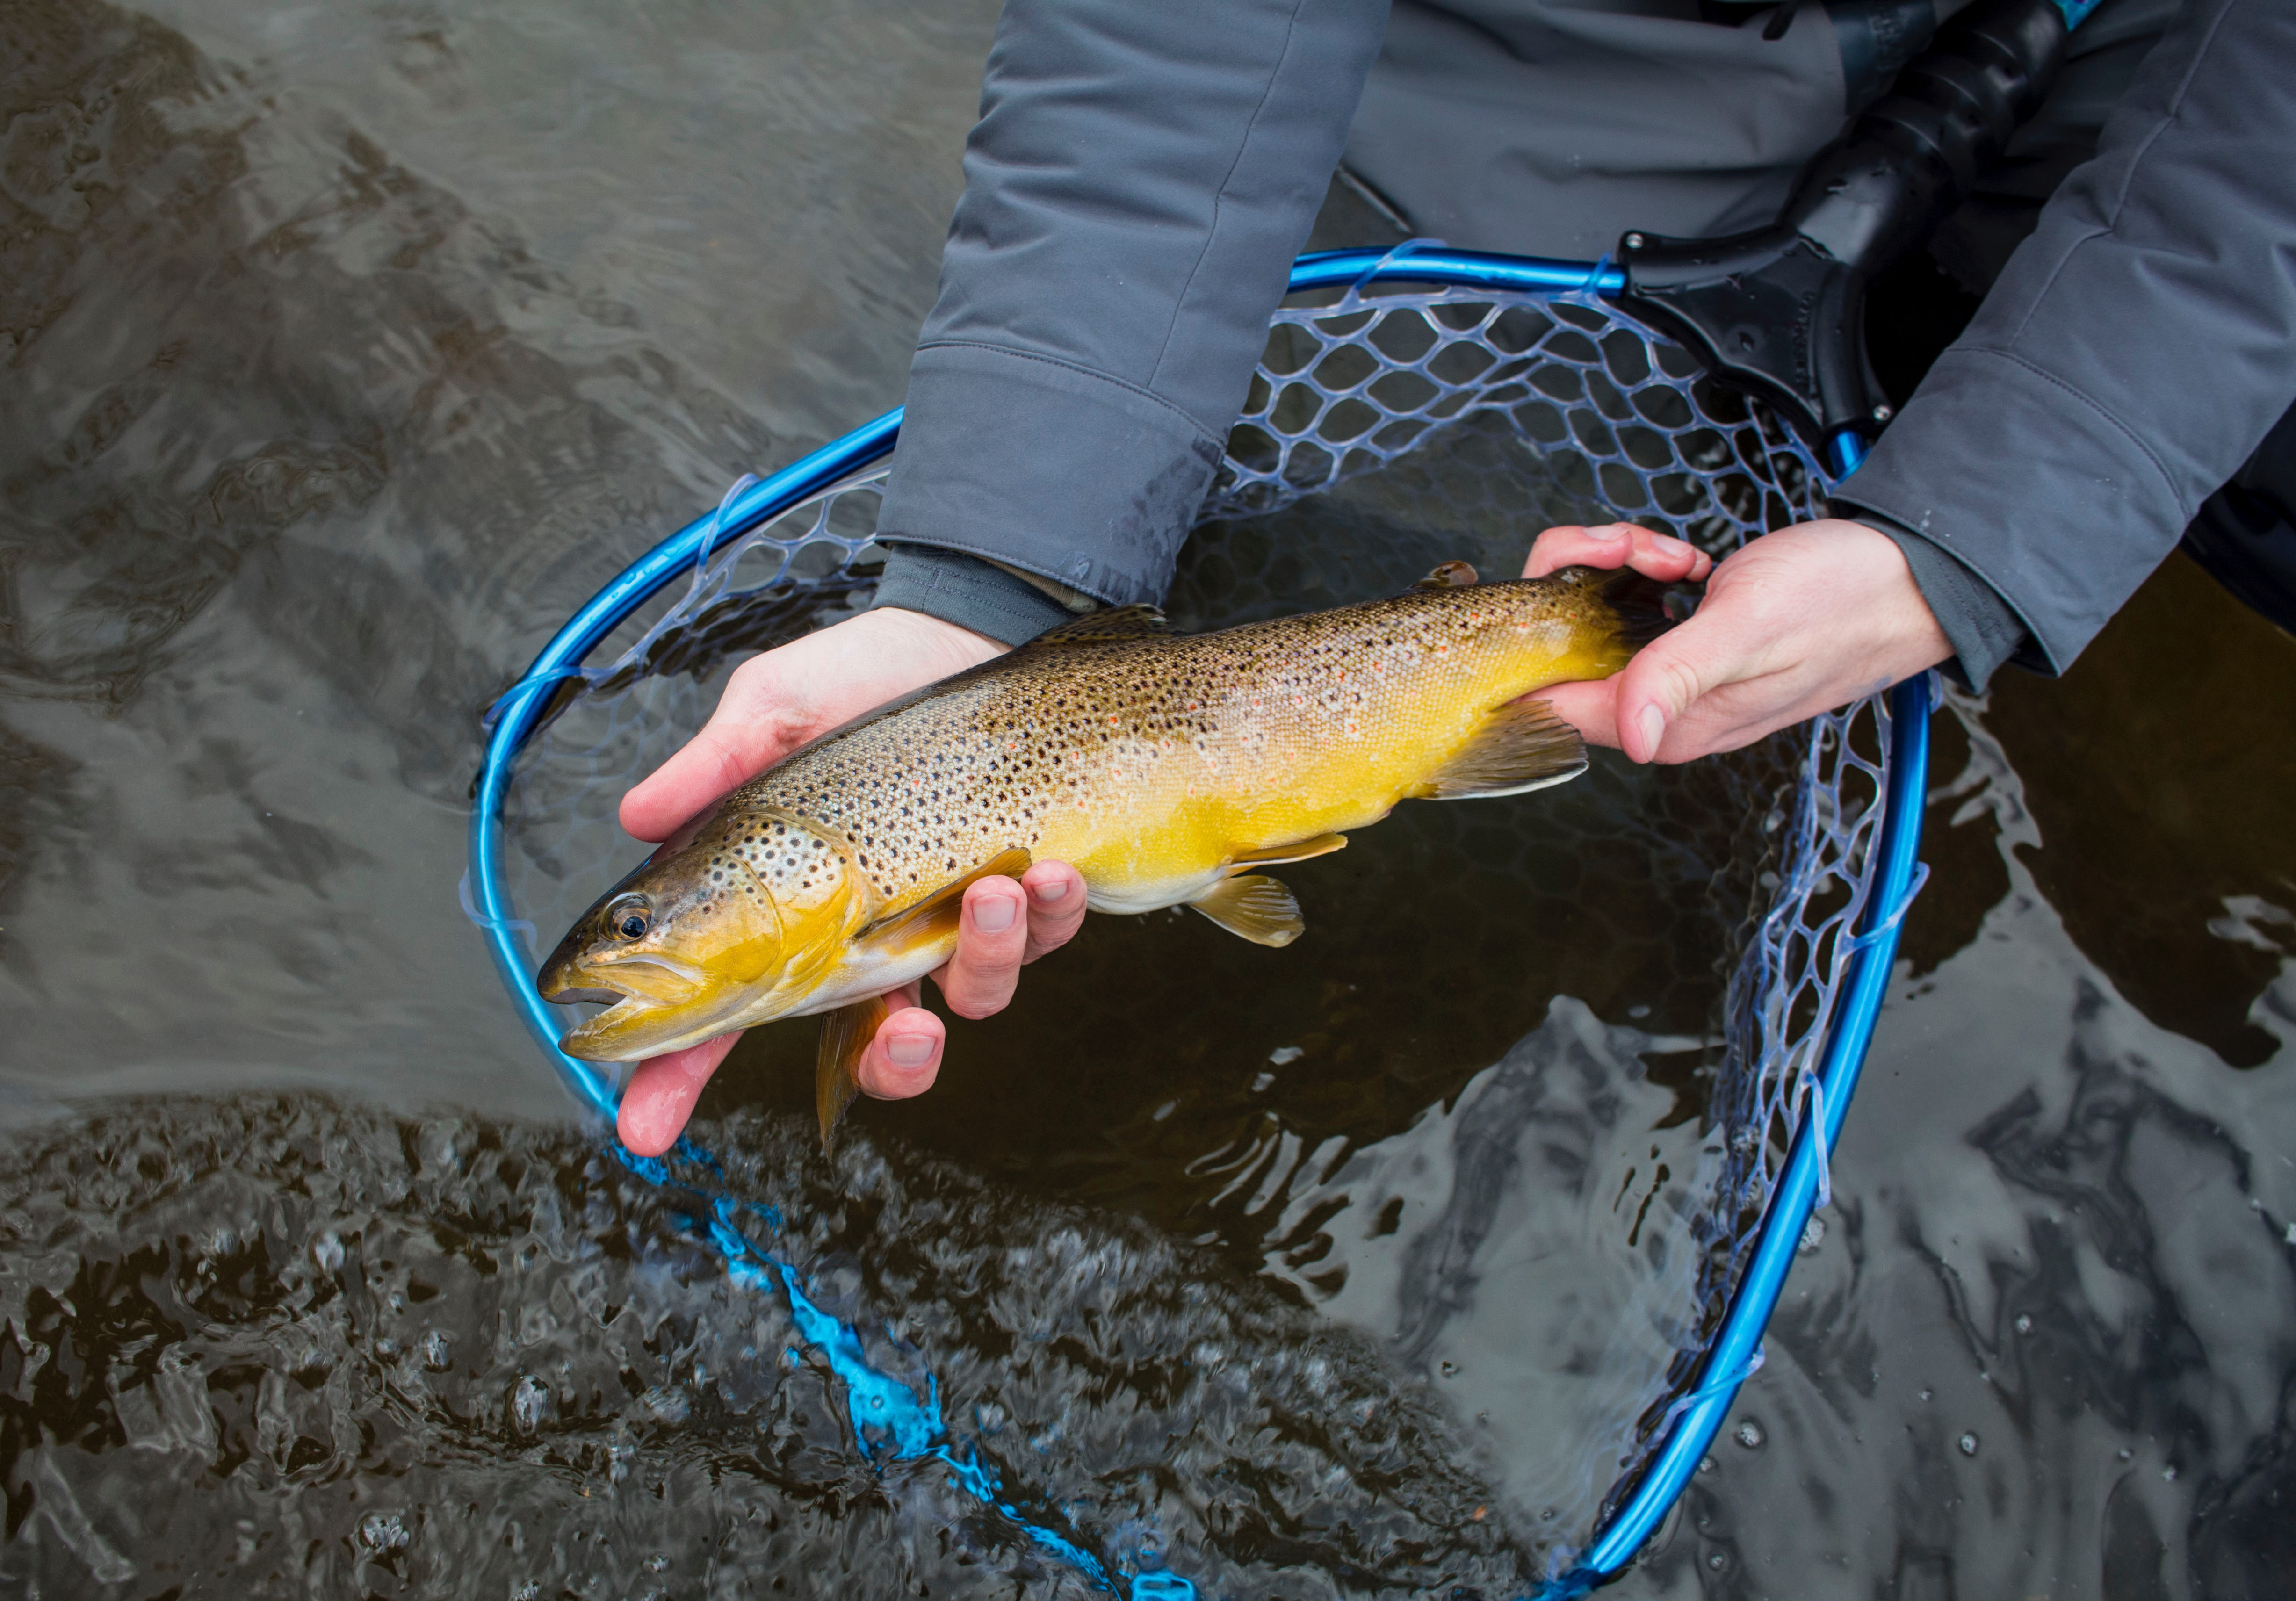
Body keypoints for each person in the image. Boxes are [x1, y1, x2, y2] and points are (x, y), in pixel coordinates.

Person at [608, 0, 2296, 1157]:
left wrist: (1977, 540)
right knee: (1364, 487)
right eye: (636, 929)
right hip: (1559, 66)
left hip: (2187, 63)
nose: (628, 949)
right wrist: (990, 565)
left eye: (639, 924)